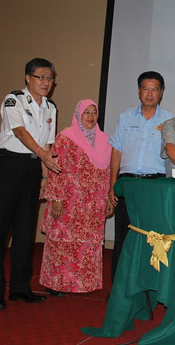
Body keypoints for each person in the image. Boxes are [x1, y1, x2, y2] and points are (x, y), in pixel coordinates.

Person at [0, 58, 61, 310]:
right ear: (28, 78)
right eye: (40, 77)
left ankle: (20, 288)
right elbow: (19, 131)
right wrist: (42, 154)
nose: (45, 82)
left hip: (32, 167)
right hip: (9, 165)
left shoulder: (51, 107)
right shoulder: (14, 100)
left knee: (25, 230)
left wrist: (44, 177)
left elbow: (48, 144)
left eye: (49, 78)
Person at [39, 99, 113, 295]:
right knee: (61, 242)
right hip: (68, 201)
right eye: (86, 112)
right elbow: (56, 168)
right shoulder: (65, 137)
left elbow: (107, 173)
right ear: (78, 116)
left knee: (87, 244)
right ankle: (55, 284)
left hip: (93, 204)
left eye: (94, 112)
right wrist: (56, 198)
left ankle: (84, 284)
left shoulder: (105, 141)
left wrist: (106, 199)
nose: (90, 116)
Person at [108, 71, 175, 282]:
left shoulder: (169, 120)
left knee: (152, 238)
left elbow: (172, 157)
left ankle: (147, 286)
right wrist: (112, 185)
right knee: (123, 238)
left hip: (154, 185)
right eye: (145, 88)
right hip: (127, 184)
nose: (149, 93)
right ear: (139, 90)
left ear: (161, 93)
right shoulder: (126, 117)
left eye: (155, 89)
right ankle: (119, 287)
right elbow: (116, 151)